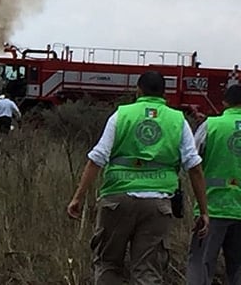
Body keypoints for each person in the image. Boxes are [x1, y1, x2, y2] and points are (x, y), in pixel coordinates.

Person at [66, 70, 209, 284]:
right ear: (164, 93)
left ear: (138, 90)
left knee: (108, 265)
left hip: (117, 200)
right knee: (148, 272)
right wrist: (203, 210)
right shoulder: (178, 120)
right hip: (158, 205)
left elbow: (97, 158)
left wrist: (78, 197)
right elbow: (194, 167)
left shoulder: (121, 115)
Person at [186, 84, 241, 284]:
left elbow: (191, 158)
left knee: (200, 265)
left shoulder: (211, 125)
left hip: (212, 207)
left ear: (225, 102)